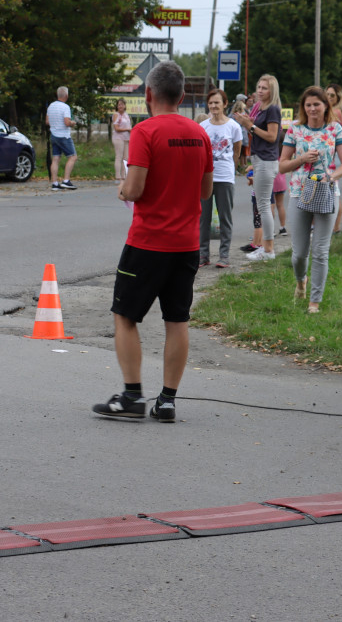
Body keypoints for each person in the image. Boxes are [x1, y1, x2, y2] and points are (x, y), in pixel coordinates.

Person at [92, 61, 213, 423]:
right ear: (182, 95)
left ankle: (131, 396)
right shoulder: (199, 134)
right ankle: (167, 400)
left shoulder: (145, 132)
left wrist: (122, 189)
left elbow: (136, 188)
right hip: (187, 245)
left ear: (148, 95)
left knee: (125, 316)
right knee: (177, 319)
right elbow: (205, 191)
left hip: (148, 243)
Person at [279, 86, 342, 313]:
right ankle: (301, 280)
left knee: (320, 250)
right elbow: (282, 166)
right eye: (308, 105)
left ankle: (314, 302)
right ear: (303, 108)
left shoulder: (334, 129)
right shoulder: (295, 130)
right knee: (299, 253)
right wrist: (301, 159)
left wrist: (331, 176)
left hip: (327, 192)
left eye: (316, 104)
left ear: (325, 106)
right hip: (299, 192)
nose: (312, 109)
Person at [234, 74, 282, 261]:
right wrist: (247, 122)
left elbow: (272, 136)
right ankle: (264, 247)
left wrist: (250, 126)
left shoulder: (273, 110)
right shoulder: (258, 107)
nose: (260, 91)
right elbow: (253, 127)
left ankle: (268, 249)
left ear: (272, 90)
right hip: (259, 158)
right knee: (262, 205)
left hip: (267, 160)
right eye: (259, 87)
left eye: (265, 88)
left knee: (263, 205)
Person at [199, 88, 242, 268]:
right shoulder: (203, 127)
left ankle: (224, 255)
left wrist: (228, 167)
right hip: (206, 178)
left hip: (225, 177)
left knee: (225, 217)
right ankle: (203, 255)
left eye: (217, 102)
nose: (214, 106)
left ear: (225, 104)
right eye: (211, 103)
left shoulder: (233, 126)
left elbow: (236, 152)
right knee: (203, 218)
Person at [325, 84, 342, 234]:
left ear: (338, 97)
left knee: (334, 192)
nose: (328, 97)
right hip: (331, 154)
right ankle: (334, 226)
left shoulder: (336, 112)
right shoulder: (333, 111)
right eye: (326, 94)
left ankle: (336, 227)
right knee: (332, 191)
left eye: (332, 95)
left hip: (333, 155)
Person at [47, 86, 78, 191]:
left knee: (55, 158)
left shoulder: (51, 106)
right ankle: (66, 180)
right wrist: (72, 123)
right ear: (66, 96)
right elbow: (66, 122)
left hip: (53, 135)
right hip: (63, 136)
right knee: (72, 157)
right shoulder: (65, 107)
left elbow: (47, 121)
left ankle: (55, 183)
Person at [111, 98, 132, 182]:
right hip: (118, 138)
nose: (120, 106)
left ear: (125, 106)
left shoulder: (126, 115)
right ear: (117, 106)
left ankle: (124, 176)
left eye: (122, 104)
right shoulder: (116, 115)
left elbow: (129, 126)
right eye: (119, 104)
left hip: (126, 138)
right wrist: (127, 129)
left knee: (126, 158)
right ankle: (117, 176)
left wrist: (130, 132)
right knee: (119, 156)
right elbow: (116, 128)